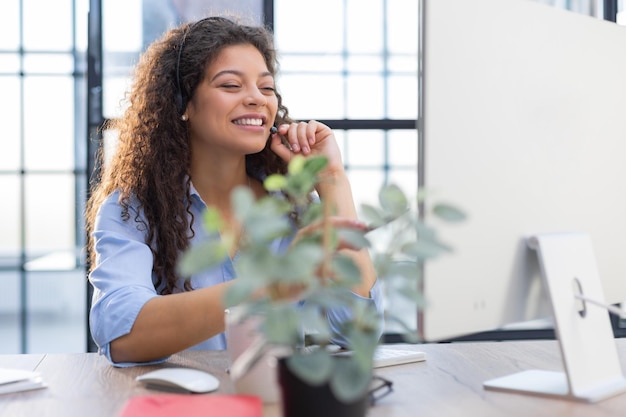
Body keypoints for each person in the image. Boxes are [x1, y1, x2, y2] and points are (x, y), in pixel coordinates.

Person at [86, 15, 383, 367]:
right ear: (183, 104)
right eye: (230, 85)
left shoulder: (294, 205)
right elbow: (122, 336)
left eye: (267, 88)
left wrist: (333, 179)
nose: (257, 99)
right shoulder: (132, 210)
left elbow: (354, 331)